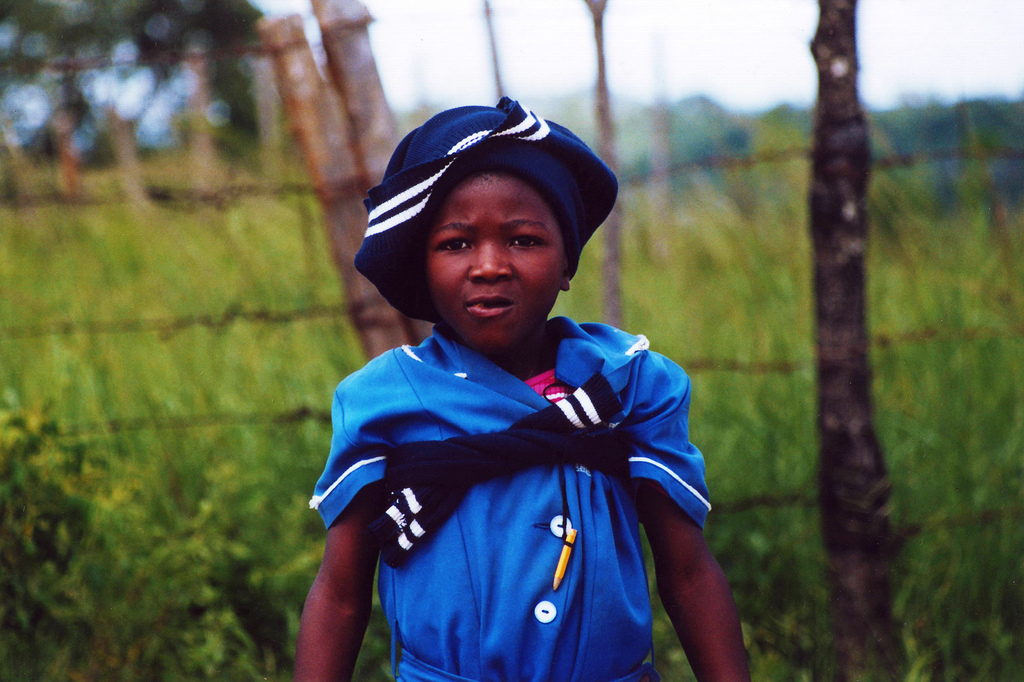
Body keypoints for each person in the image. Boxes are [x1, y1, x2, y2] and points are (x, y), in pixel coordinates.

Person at [294, 98, 750, 682]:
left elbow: (687, 574)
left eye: (524, 240)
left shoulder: (630, 386)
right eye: (456, 244)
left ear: (567, 263)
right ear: (421, 268)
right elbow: (340, 596)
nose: (490, 266)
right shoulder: (383, 401)